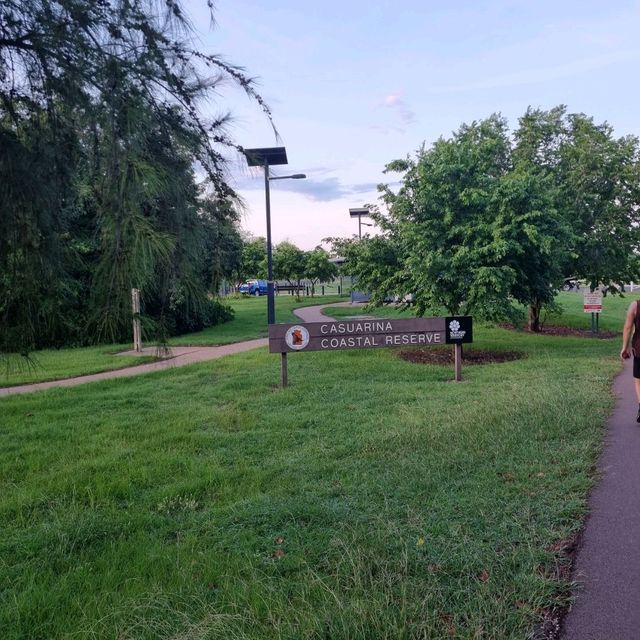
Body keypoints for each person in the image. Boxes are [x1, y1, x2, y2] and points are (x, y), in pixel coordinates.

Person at [620, 299, 640, 421]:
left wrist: (624, 347)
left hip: (639, 348)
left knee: (638, 380)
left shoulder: (635, 305)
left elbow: (627, 327)